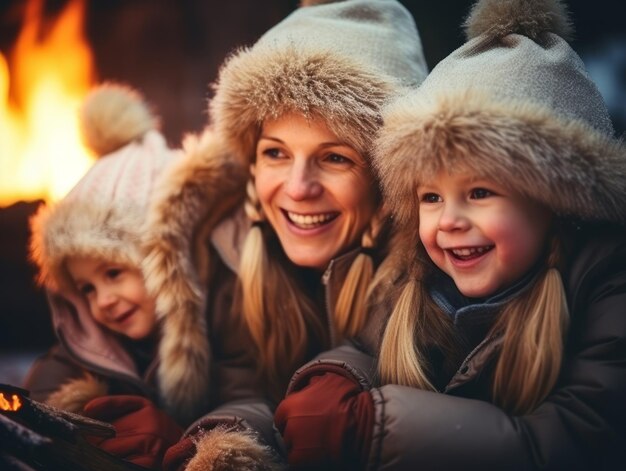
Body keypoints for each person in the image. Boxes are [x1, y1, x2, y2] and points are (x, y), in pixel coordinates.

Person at [274, 0, 626, 469]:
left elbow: (577, 436)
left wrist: (377, 425)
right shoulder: (416, 280)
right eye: (431, 198)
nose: (449, 221)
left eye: (479, 191)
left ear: (557, 200)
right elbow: (365, 346)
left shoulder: (605, 291)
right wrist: (335, 378)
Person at [141, 1, 428, 469]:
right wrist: (215, 445)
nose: (298, 189)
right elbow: (247, 391)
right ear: (251, 164)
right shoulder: (231, 254)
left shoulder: (440, 265)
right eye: (276, 153)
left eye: (335, 158)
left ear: (386, 177)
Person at [24, 83, 197, 469]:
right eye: (86, 288)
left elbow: (248, 400)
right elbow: (51, 378)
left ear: (170, 259)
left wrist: (184, 436)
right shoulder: (91, 346)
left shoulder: (222, 330)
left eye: (114, 272)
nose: (102, 300)